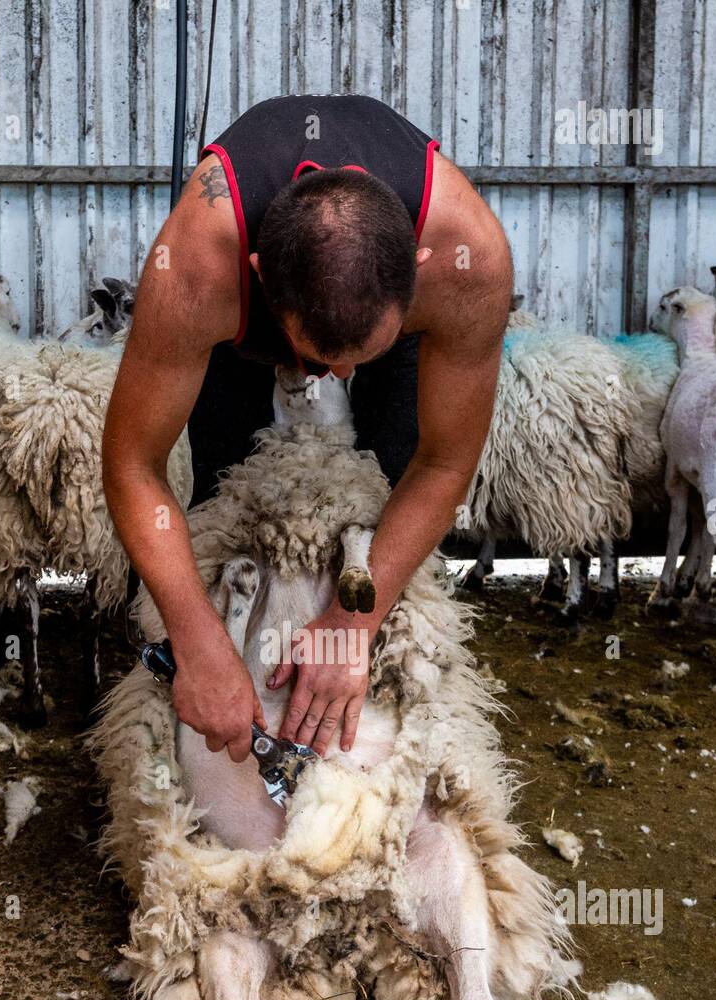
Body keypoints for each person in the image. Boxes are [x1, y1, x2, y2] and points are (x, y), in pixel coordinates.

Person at [102, 94, 512, 762]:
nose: (340, 378)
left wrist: (354, 623)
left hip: (373, 319)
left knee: (388, 480)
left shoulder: (471, 257)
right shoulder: (200, 264)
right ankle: (216, 674)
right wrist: (195, 637)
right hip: (245, 327)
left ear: (422, 264)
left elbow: (443, 467)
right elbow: (132, 465)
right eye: (324, 360)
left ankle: (388, 698)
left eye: (360, 358)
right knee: (223, 488)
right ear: (259, 275)